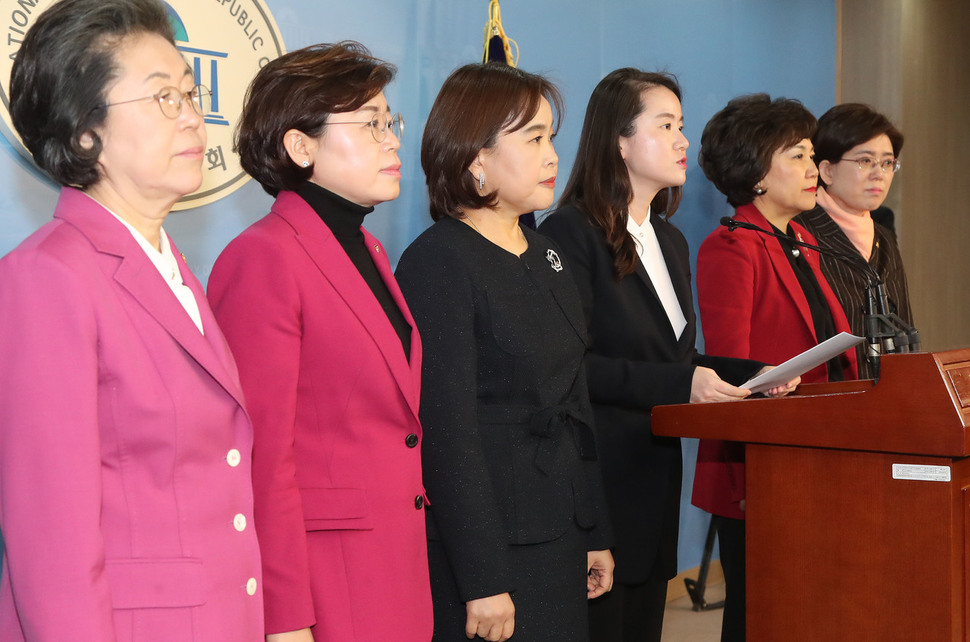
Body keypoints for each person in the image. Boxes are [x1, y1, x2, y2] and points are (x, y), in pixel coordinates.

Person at [0, 0, 264, 639]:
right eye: (162, 99)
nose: (193, 116)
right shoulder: (48, 277)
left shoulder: (172, 270)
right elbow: (53, 540)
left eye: (190, 92)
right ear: (85, 130)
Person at [539, 69, 795, 642]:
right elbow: (573, 368)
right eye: (666, 125)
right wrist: (682, 387)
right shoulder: (570, 235)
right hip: (600, 476)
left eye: (681, 125)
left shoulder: (669, 238)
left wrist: (756, 374)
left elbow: (678, 358)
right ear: (619, 141)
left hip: (656, 477)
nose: (683, 139)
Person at [207, 43, 432, 641]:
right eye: (369, 123)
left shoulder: (370, 249)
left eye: (391, 121)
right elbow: (261, 454)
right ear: (300, 146)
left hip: (395, 560)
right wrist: (285, 616)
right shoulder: (263, 258)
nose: (391, 139)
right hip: (326, 582)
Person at [395, 63, 614, 642]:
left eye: (552, 138)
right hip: (493, 544)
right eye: (534, 138)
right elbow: (447, 433)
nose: (552, 157)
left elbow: (578, 408)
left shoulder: (548, 254)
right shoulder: (438, 261)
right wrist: (482, 578)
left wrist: (595, 529)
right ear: (476, 159)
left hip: (561, 525)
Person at [692, 94, 859, 641]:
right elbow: (730, 371)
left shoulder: (805, 242)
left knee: (806, 604)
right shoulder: (732, 246)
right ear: (757, 173)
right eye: (799, 156)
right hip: (760, 467)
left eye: (813, 157)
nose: (814, 171)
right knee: (759, 611)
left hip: (819, 455)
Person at [795, 103, 912, 378]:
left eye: (887, 163)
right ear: (826, 171)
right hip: (828, 401)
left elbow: (905, 327)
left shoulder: (883, 237)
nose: (879, 174)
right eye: (865, 161)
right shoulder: (798, 233)